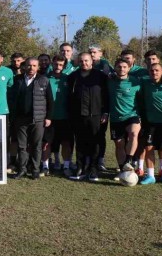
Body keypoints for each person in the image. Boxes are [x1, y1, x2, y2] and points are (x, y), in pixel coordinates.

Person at [67, 52, 109, 181]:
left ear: (92, 61)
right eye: (81, 61)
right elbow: (69, 97)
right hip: (78, 115)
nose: (84, 63)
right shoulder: (73, 76)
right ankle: (80, 167)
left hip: (96, 115)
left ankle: (93, 169)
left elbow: (107, 95)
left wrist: (105, 112)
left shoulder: (101, 76)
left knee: (95, 142)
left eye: (86, 60)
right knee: (80, 142)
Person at [9, 58, 53, 179]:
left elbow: (50, 100)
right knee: (22, 146)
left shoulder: (44, 80)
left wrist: (48, 117)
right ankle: (22, 169)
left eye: (34, 66)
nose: (31, 68)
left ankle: (35, 170)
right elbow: (12, 98)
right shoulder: (17, 79)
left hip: (38, 119)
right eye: (29, 65)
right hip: (20, 119)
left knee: (37, 146)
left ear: (37, 67)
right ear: (24, 66)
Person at [107, 58, 142, 171]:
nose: (121, 69)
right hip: (116, 118)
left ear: (129, 68)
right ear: (115, 68)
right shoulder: (109, 81)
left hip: (132, 115)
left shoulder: (135, 82)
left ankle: (128, 160)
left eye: (124, 67)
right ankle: (123, 170)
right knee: (119, 144)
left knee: (133, 133)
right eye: (119, 67)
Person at [43, 54, 72, 176]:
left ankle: (66, 166)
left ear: (64, 66)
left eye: (61, 65)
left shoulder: (68, 79)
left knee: (66, 142)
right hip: (49, 118)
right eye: (56, 64)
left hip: (65, 117)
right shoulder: (45, 78)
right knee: (46, 143)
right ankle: (45, 167)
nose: (58, 66)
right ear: (52, 64)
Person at [89, 45, 111, 171]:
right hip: (87, 108)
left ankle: (101, 160)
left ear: (100, 53)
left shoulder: (105, 64)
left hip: (101, 108)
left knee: (100, 135)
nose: (92, 54)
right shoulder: (84, 65)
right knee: (87, 134)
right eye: (90, 52)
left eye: (94, 52)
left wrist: (106, 111)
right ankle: (89, 159)